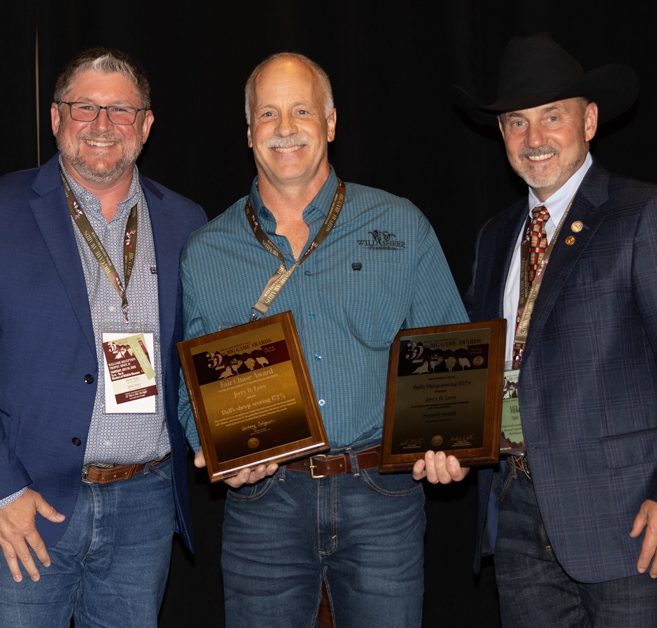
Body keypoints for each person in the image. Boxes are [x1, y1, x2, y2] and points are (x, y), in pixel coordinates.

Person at [177, 52, 468, 628]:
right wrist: (215, 449)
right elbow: (193, 387)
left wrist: (454, 440)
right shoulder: (206, 251)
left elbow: (452, 357)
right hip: (264, 503)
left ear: (330, 123)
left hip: (383, 497)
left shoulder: (400, 225)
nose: (285, 128)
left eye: (302, 111)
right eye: (268, 113)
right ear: (249, 132)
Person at [453, 32, 657, 627]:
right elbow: (479, 366)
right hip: (516, 513)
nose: (534, 138)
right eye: (516, 122)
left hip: (627, 520)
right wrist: (447, 440)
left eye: (552, 116)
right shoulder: (494, 237)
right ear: (500, 133)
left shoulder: (646, 215)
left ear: (589, 121)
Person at [0, 47, 206, 626]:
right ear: (56, 118)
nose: (102, 124)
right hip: (26, 505)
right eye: (84, 107)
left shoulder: (186, 221)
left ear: (145, 125)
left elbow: (197, 356)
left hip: (145, 506)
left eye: (121, 110)